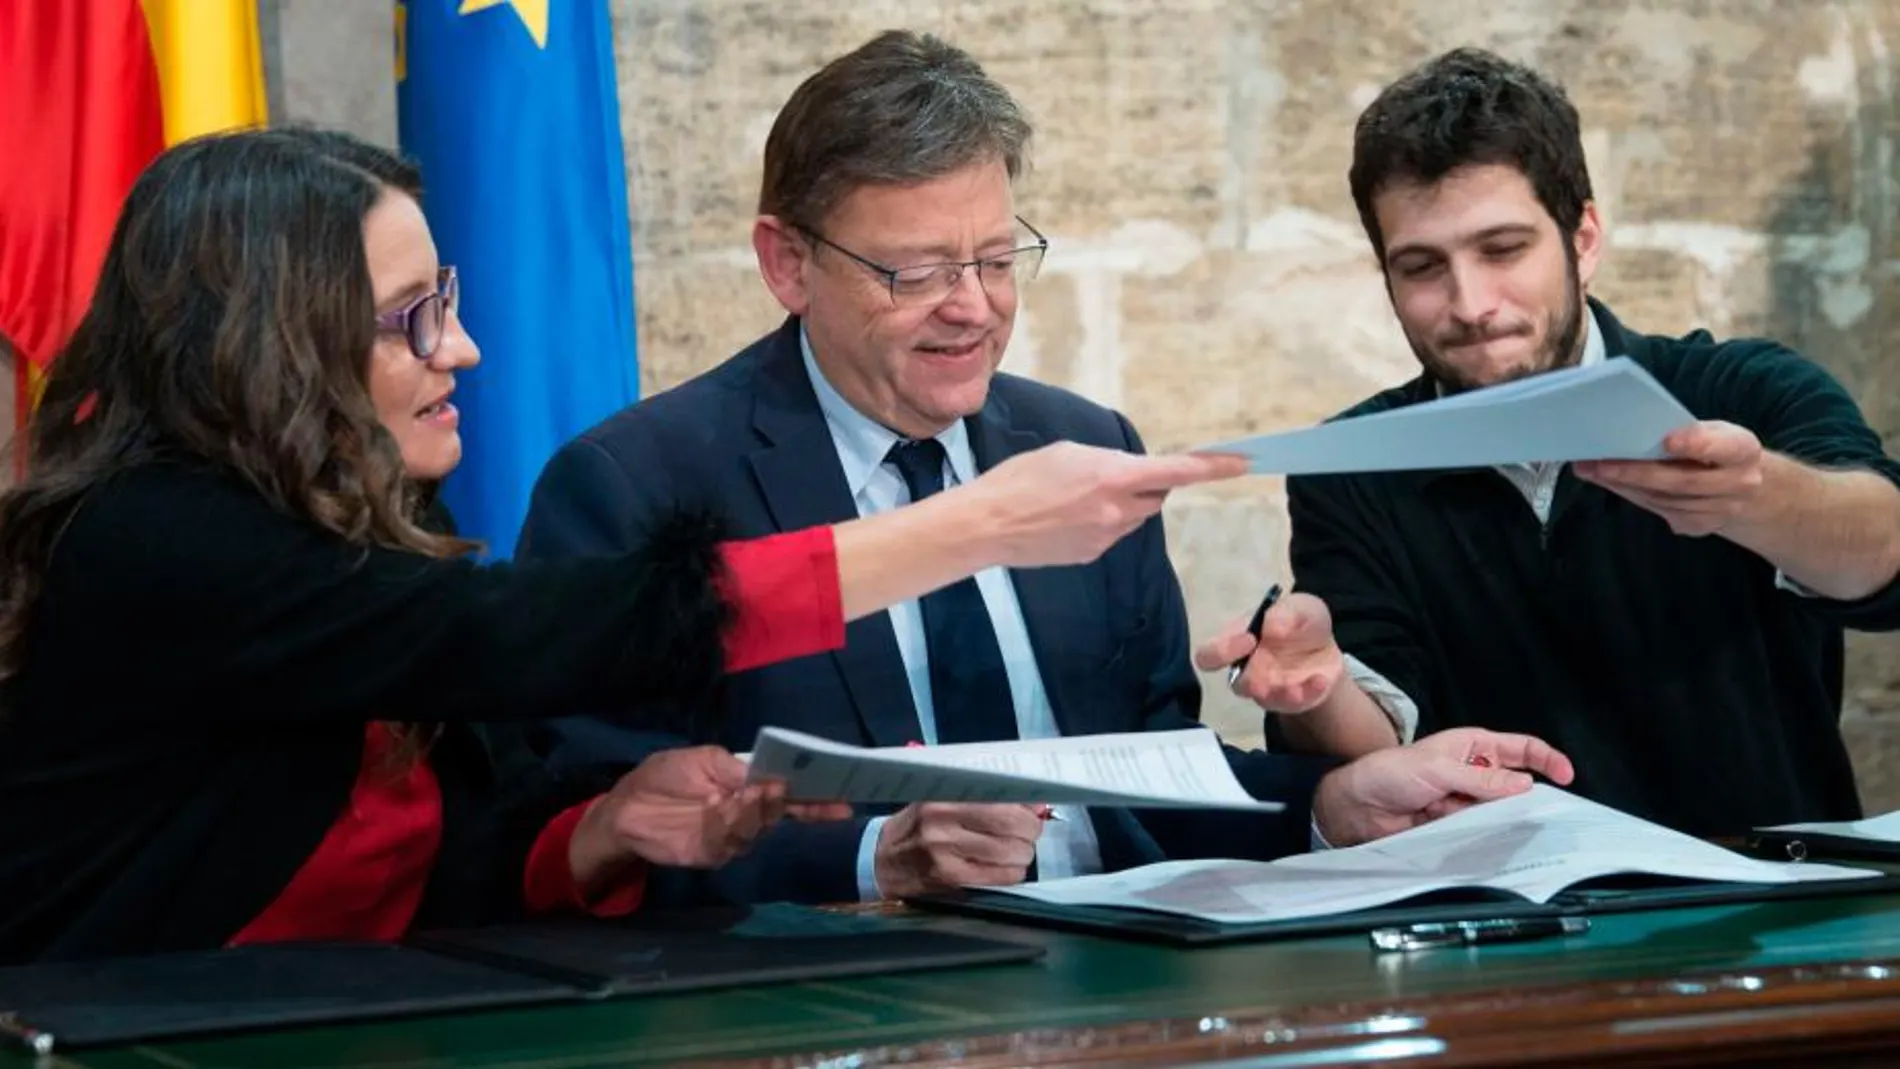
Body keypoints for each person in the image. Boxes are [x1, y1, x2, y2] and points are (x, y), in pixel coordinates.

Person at [0, 125, 1253, 964]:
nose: (461, 351)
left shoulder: (366, 506)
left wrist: (600, 836)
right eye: (406, 320)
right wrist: (968, 528)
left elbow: (441, 854)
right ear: (267, 346)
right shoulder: (149, 539)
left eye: (448, 302)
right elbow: (521, 639)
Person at [518, 30, 1574, 906]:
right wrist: (870, 858)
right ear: (787, 262)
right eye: (916, 270)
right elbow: (587, 840)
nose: (972, 305)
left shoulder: (1084, 447)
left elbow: (1152, 768)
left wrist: (1331, 802)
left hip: (1124, 989)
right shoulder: (637, 482)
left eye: (993, 258)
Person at [1198, 47, 1900, 838]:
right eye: (1423, 266)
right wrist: (1318, 689)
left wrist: (1757, 496)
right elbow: (1383, 742)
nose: (1471, 304)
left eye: (1503, 250)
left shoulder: (1742, 388)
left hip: (1773, 913)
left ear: (1584, 237)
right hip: (1503, 929)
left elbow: (1881, 550)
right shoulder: (1355, 464)